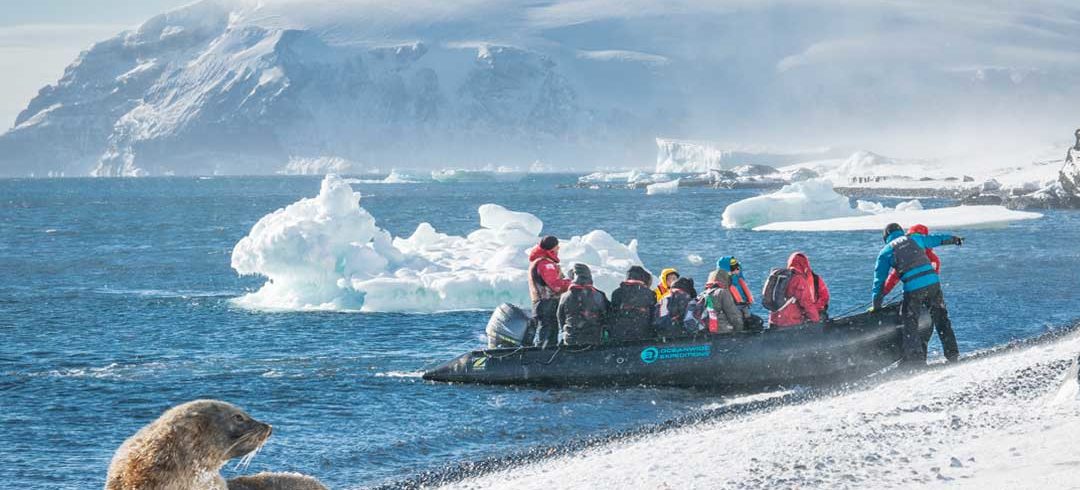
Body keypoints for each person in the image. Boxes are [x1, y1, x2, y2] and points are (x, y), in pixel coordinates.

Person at [871, 223, 964, 365]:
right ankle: (953, 355)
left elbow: (879, 281)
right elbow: (936, 239)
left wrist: (876, 305)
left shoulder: (885, 252)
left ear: (886, 237)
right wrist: (955, 239)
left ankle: (916, 361)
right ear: (901, 232)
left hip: (913, 289)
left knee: (910, 323)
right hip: (933, 283)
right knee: (941, 318)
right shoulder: (915, 239)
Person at [527, 235, 571, 348]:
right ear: (552, 248)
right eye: (557, 246)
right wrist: (571, 283)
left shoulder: (538, 261)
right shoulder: (546, 264)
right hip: (547, 303)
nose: (558, 249)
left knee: (546, 331)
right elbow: (556, 286)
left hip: (541, 304)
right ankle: (543, 359)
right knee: (548, 334)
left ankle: (541, 355)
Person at [767, 252, 829, 329]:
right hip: (792, 323)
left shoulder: (780, 277)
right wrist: (816, 320)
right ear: (805, 264)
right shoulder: (798, 280)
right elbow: (806, 303)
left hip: (774, 321)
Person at [557, 263, 611, 346]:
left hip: (571, 339)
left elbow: (560, 317)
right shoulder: (598, 295)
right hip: (594, 339)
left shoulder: (565, 296)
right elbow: (606, 315)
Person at [609, 266, 657, 342]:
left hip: (618, 336)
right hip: (643, 336)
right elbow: (653, 316)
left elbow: (611, 314)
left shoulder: (617, 292)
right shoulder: (650, 294)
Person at [717, 256, 765, 330]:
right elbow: (728, 308)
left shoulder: (737, 278)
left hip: (743, 310)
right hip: (732, 315)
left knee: (758, 322)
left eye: (737, 266)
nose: (737, 269)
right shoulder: (721, 284)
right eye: (733, 267)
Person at [698, 269, 744, 333]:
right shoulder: (722, 292)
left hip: (705, 329)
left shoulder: (702, 294)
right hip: (721, 331)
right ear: (725, 280)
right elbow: (733, 314)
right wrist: (739, 330)